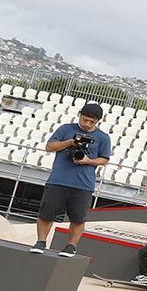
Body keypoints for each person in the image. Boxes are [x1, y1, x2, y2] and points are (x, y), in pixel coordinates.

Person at [30, 102, 113, 257]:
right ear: (80, 115)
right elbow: (49, 147)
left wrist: (88, 161)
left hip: (83, 184)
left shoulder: (103, 138)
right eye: (85, 120)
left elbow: (105, 159)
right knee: (46, 214)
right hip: (58, 180)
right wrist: (70, 142)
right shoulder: (66, 129)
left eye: (92, 122)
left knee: (78, 218)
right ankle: (41, 242)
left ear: (97, 122)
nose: (87, 124)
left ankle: (71, 246)